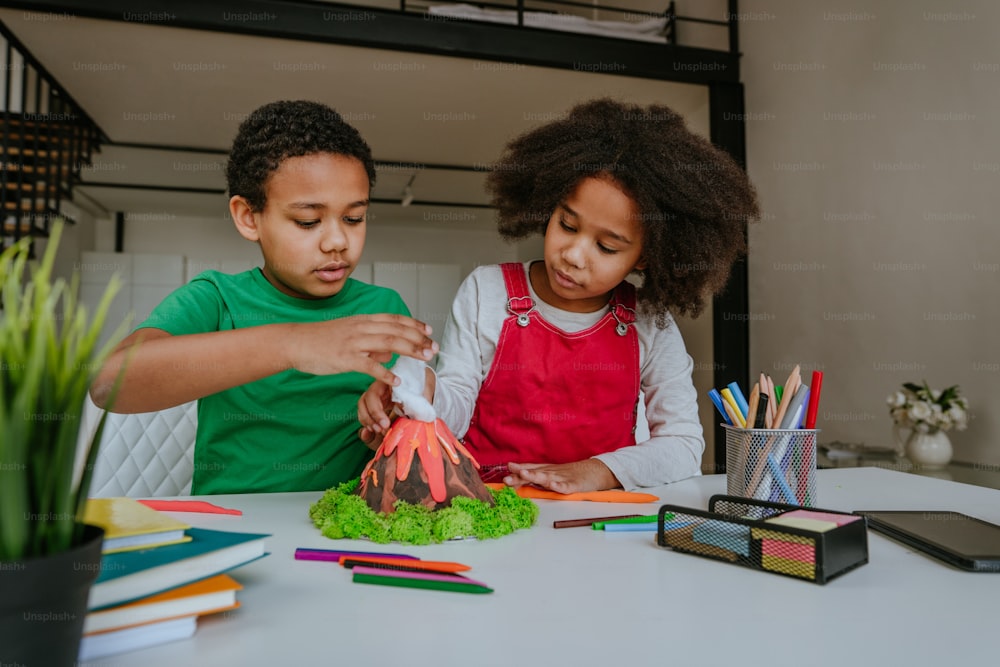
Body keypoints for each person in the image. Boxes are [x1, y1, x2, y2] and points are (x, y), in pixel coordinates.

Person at [358, 98, 760, 493]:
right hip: (492, 504)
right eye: (567, 225)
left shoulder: (650, 323)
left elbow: (684, 446)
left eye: (607, 248)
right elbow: (457, 409)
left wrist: (597, 471)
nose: (573, 255)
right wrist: (425, 389)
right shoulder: (487, 291)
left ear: (644, 259)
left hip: (594, 518)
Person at [90, 100, 438, 494]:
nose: (338, 241)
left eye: (354, 218)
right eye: (308, 221)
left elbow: (412, 436)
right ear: (249, 217)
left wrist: (396, 421)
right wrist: (294, 342)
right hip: (232, 528)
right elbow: (110, 385)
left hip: (349, 534)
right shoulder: (217, 299)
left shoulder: (383, 309)